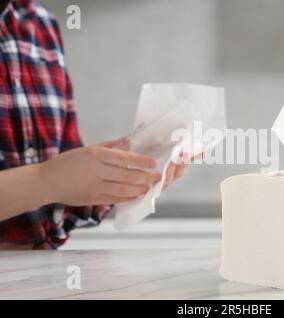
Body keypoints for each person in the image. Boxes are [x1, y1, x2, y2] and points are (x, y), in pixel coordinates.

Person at [0, 0, 189, 249]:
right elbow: (52, 179)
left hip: (37, 273)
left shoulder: (40, 22)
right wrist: (47, 181)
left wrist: (124, 171)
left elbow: (62, 185)